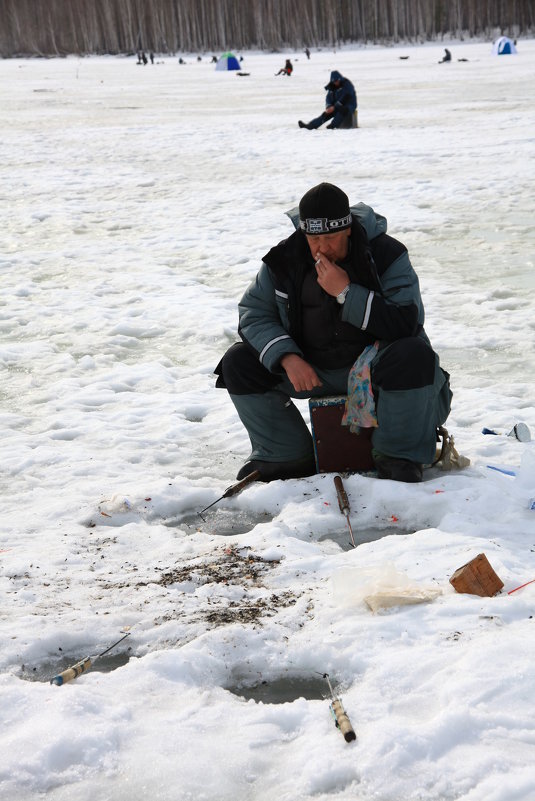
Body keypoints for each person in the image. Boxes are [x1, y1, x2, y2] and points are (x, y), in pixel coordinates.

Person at [215, 183, 452, 484]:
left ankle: (398, 456)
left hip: (374, 368)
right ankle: (284, 455)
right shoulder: (284, 259)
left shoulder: (387, 254)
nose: (322, 248)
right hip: (312, 371)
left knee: (414, 354)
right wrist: (287, 357)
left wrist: (346, 292)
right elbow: (253, 313)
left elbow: (407, 321)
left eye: (331, 238)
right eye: (314, 238)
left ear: (348, 229)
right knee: (238, 362)